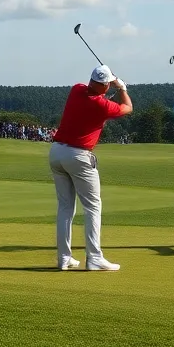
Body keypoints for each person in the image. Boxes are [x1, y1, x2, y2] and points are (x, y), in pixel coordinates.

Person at [49, 64, 133, 271]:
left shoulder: (76, 89)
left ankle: (64, 258)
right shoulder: (103, 106)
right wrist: (121, 88)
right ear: (105, 86)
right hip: (79, 156)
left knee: (65, 208)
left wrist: (107, 85)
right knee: (93, 207)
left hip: (56, 152)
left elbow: (95, 95)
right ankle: (94, 258)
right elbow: (127, 108)